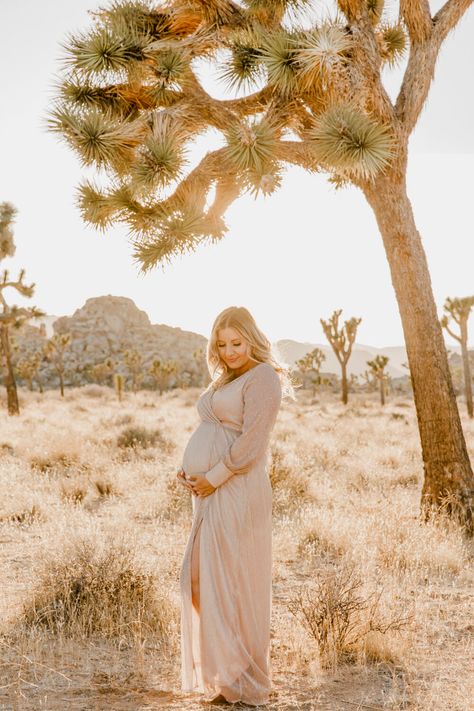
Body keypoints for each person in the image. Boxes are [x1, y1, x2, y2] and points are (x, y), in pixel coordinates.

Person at [176, 306, 294, 706]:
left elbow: (251, 443)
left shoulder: (263, 377)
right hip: (209, 489)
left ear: (252, 339)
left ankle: (243, 679)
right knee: (200, 577)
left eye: (236, 343)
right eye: (222, 344)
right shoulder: (227, 377)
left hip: (237, 489)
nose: (229, 351)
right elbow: (213, 431)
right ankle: (228, 673)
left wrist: (214, 475)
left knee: (235, 581)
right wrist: (190, 470)